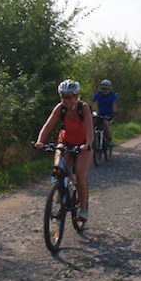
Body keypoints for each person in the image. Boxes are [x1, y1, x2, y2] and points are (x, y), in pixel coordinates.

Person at [34, 79, 94, 221]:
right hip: (65, 141)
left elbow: (90, 128)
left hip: (83, 143)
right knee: (58, 168)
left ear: (76, 96)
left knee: (80, 173)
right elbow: (48, 125)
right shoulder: (60, 108)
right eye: (63, 97)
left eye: (69, 97)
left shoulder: (83, 108)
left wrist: (88, 144)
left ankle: (83, 209)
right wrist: (40, 141)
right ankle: (61, 191)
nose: (66, 100)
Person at [91, 79, 118, 144]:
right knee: (94, 125)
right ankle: (92, 142)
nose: (105, 90)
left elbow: (114, 103)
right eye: (103, 89)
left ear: (109, 89)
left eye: (106, 89)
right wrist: (89, 109)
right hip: (100, 113)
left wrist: (114, 112)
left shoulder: (112, 94)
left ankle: (109, 139)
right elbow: (93, 102)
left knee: (106, 123)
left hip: (109, 113)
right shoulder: (99, 94)